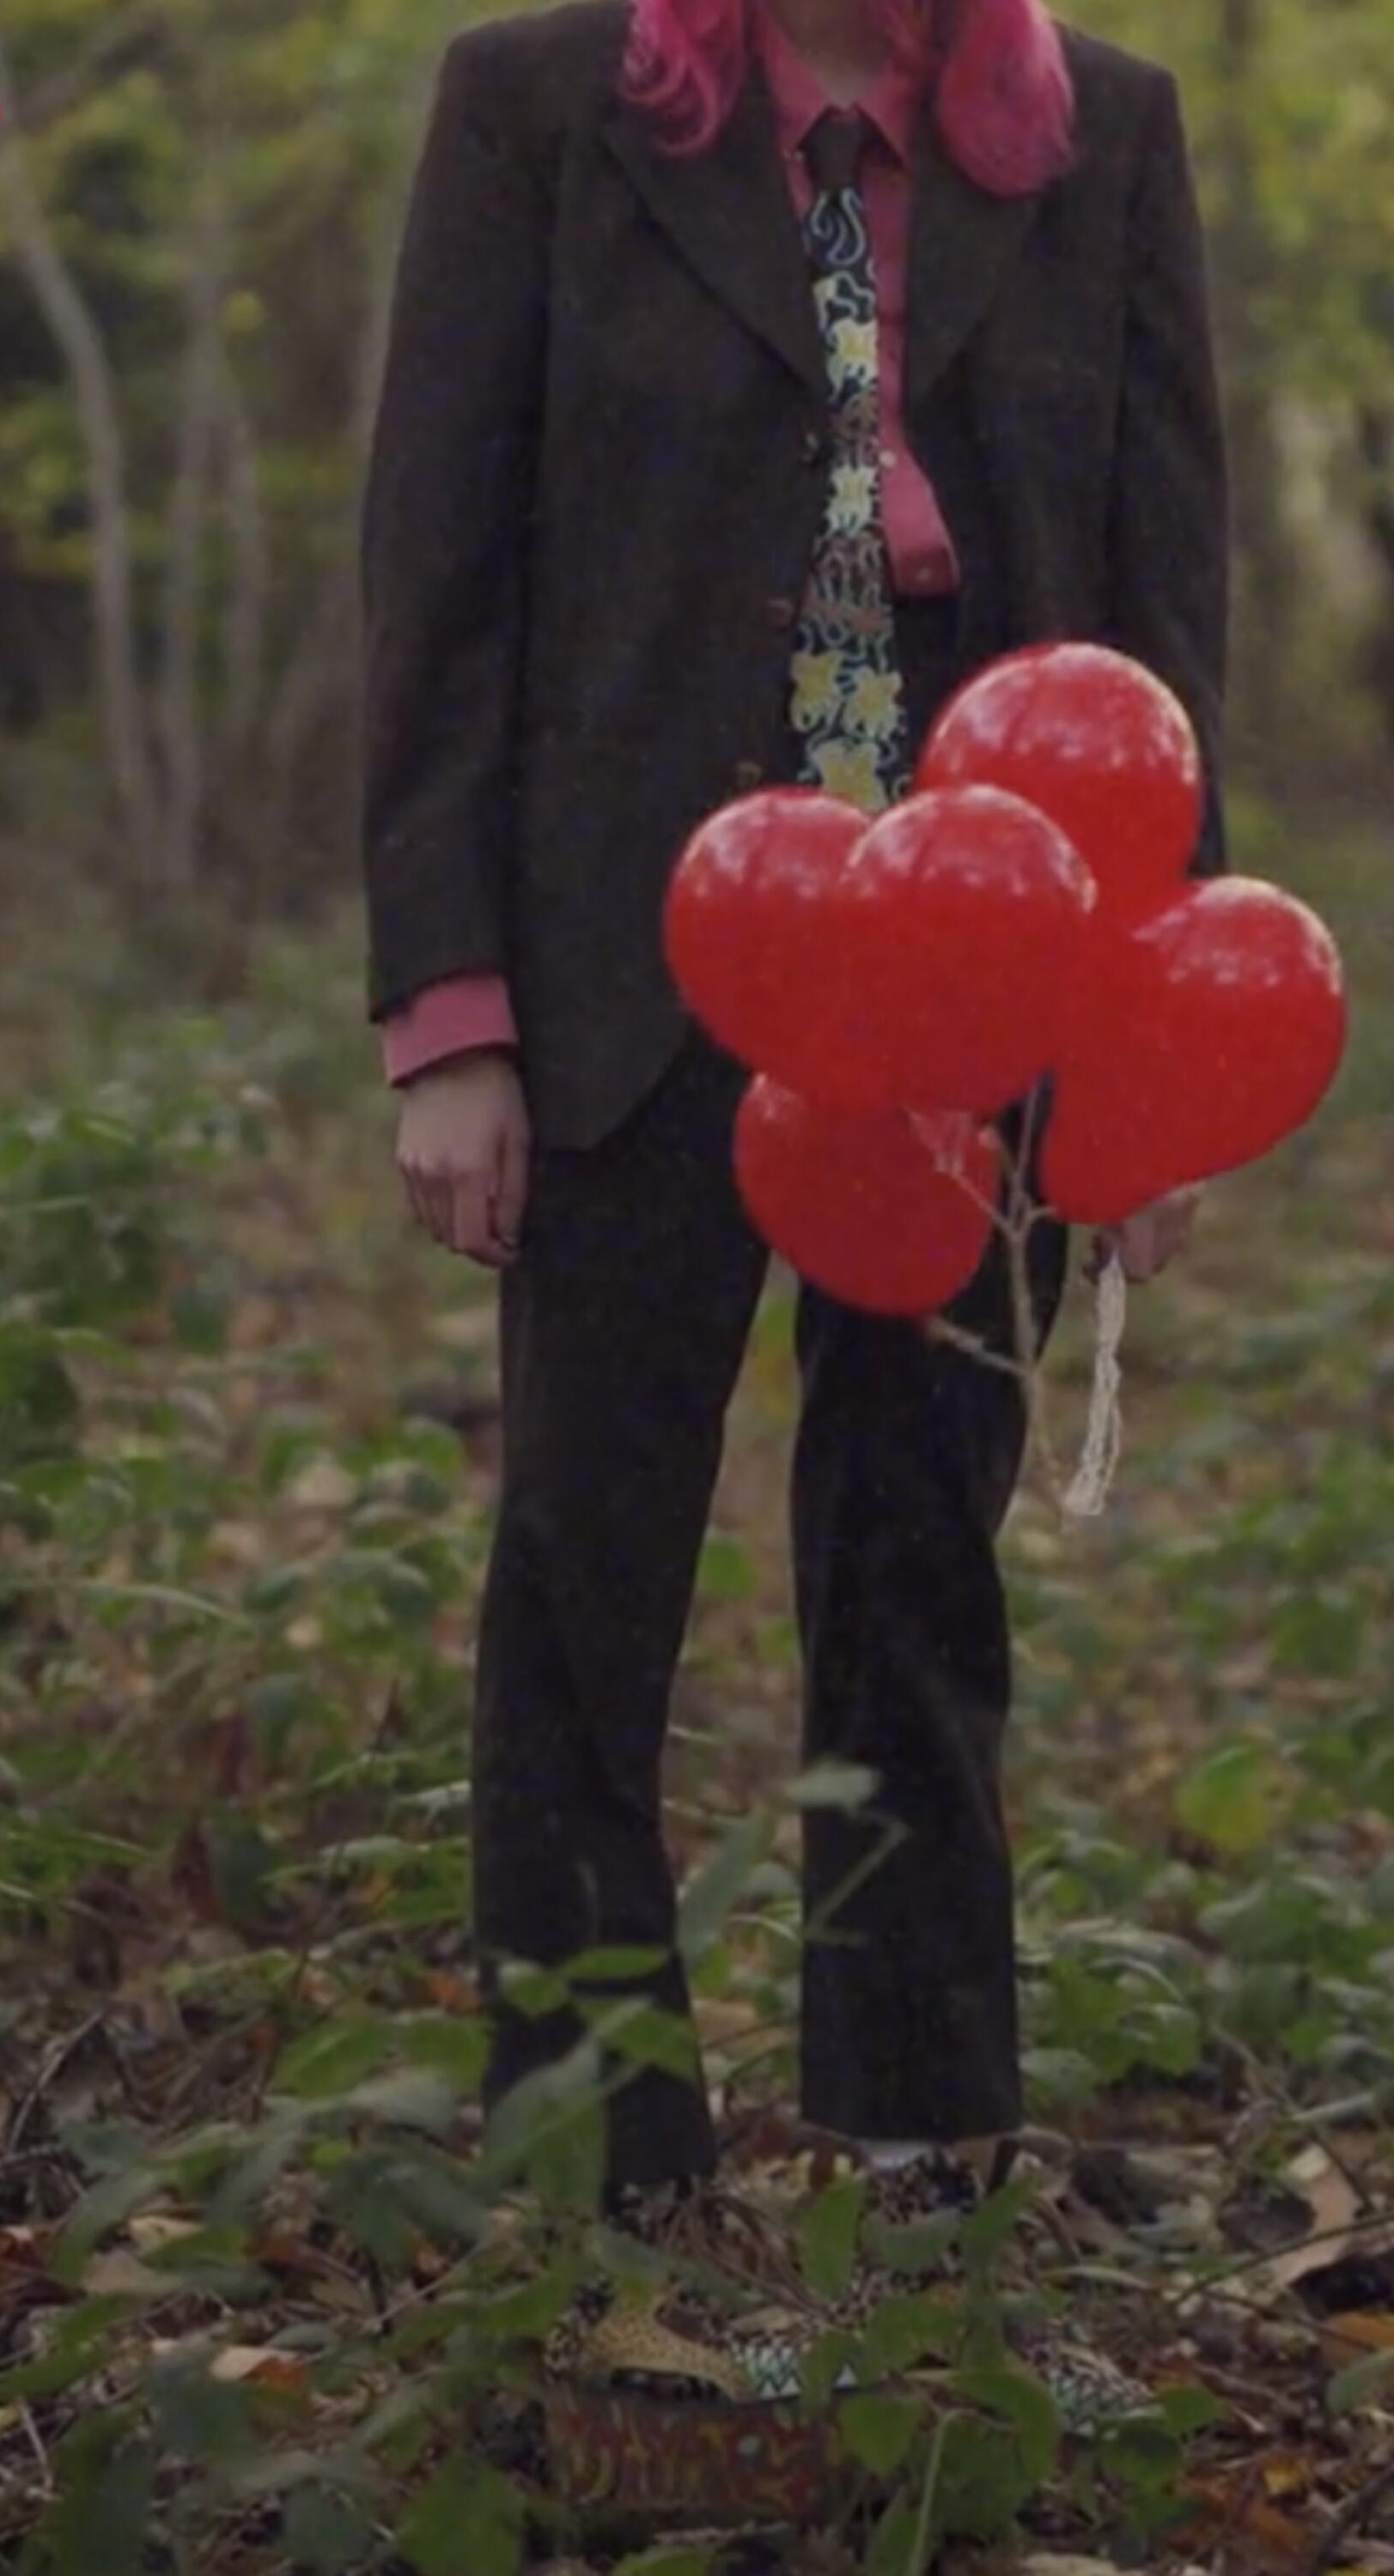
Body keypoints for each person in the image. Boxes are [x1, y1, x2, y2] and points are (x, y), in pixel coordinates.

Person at [361, 0, 1226, 2405]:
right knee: (584, 1577)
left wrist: (1144, 1041)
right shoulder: (537, 111)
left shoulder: (1105, 139)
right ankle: (598, 2175)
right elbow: (437, 571)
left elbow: (1164, 616)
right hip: (636, 942)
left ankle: (923, 2149)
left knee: (918, 1558)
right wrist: (452, 1010)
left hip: (988, 954)